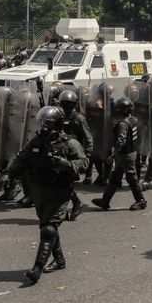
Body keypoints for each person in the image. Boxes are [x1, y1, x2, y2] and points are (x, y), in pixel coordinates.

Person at [0, 105, 87, 284]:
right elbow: (23, 158)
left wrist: (66, 164)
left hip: (59, 192)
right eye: (43, 122)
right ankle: (60, 260)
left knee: (48, 229)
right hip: (39, 192)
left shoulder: (70, 143)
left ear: (58, 123)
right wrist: (10, 173)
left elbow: (83, 163)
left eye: (49, 122)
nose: (45, 126)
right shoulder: (37, 141)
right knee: (47, 226)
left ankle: (37, 268)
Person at [92, 97, 148, 211]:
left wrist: (112, 155)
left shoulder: (123, 124)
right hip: (130, 152)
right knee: (115, 178)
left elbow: (121, 141)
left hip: (125, 155)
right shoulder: (133, 119)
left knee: (131, 178)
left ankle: (141, 200)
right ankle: (105, 201)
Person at [57, 89, 93, 220]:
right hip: (60, 151)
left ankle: (75, 203)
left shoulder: (79, 118)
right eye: (64, 103)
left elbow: (88, 137)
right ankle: (71, 205)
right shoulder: (59, 116)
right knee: (62, 181)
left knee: (66, 181)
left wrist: (87, 154)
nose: (66, 106)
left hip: (74, 153)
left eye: (68, 103)